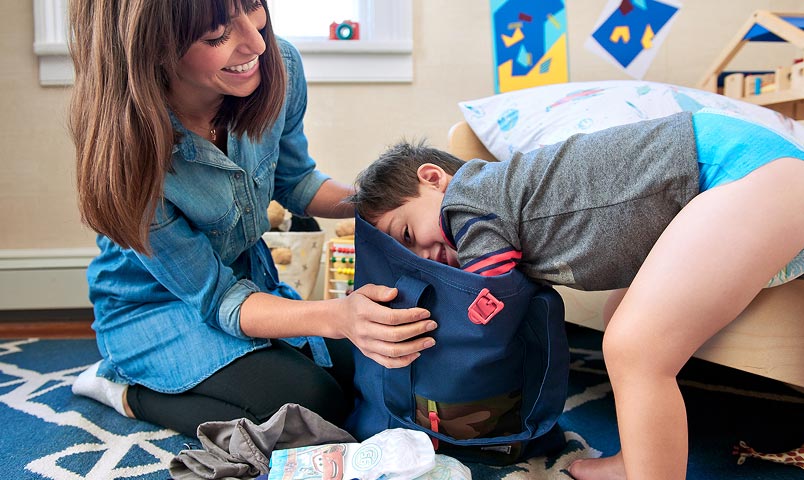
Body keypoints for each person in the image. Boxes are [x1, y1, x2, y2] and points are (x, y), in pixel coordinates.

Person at [348, 110, 804, 480]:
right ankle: (636, 461)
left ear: (435, 179)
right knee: (619, 313)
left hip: (742, 172)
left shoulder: (470, 197)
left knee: (636, 348)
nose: (426, 253)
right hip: (736, 187)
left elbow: (490, 287)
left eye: (408, 232)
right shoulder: (502, 206)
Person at [66, 0, 437, 438]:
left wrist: (392, 205)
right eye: (217, 36)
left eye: (253, 9)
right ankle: (124, 389)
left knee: (365, 367)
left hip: (248, 283)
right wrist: (337, 315)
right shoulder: (134, 160)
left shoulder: (278, 66)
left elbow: (295, 182)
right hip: (156, 306)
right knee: (310, 410)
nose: (256, 42)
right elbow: (219, 300)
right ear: (154, 51)